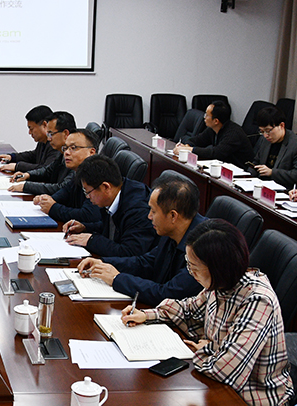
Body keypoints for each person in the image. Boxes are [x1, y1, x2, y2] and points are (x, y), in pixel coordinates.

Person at [121, 219, 294, 406]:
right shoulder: (220, 284)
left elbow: (225, 371)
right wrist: (147, 315)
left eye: (194, 267)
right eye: (188, 265)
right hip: (216, 385)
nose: (190, 273)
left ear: (218, 268)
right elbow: (189, 309)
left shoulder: (257, 300)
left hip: (252, 397)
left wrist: (210, 350)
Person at [77, 172, 204, 305]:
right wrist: (103, 263)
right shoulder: (174, 229)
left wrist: (116, 278)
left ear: (173, 216)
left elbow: (168, 294)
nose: (149, 216)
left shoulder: (202, 249)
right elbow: (147, 262)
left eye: (153, 211)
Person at [63, 154, 157, 257]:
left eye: (88, 192)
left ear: (106, 187)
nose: (87, 197)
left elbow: (129, 252)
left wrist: (92, 241)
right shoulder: (118, 192)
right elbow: (113, 227)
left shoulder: (138, 210)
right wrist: (85, 227)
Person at [34, 128, 101, 224]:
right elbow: (64, 193)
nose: (67, 153)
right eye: (65, 148)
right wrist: (45, 199)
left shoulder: (97, 175)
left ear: (91, 152)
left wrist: (53, 208)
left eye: (73, 148)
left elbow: (89, 215)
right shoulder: (78, 173)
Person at [8, 111, 76, 195]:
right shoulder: (61, 152)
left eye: (51, 134)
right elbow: (48, 171)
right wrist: (28, 175)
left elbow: (63, 188)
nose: (49, 139)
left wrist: (26, 187)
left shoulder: (77, 157)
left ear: (65, 134)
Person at [173, 100, 254, 169]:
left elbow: (217, 153)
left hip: (239, 172)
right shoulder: (213, 129)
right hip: (222, 168)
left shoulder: (233, 133)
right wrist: (186, 145)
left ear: (216, 121)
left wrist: (190, 150)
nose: (204, 117)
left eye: (207, 115)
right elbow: (198, 140)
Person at [0, 105, 58, 173]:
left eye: (31, 129)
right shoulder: (43, 141)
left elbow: (45, 169)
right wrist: (12, 157)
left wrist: (17, 166)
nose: (29, 132)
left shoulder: (55, 144)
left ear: (44, 125)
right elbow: (33, 156)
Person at [247, 106, 297, 189]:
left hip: (281, 189)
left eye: (268, 130)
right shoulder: (264, 140)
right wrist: (247, 177)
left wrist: (272, 172)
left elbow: (295, 174)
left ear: (281, 125)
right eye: (262, 131)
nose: (265, 135)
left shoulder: (294, 144)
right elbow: (256, 161)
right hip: (260, 185)